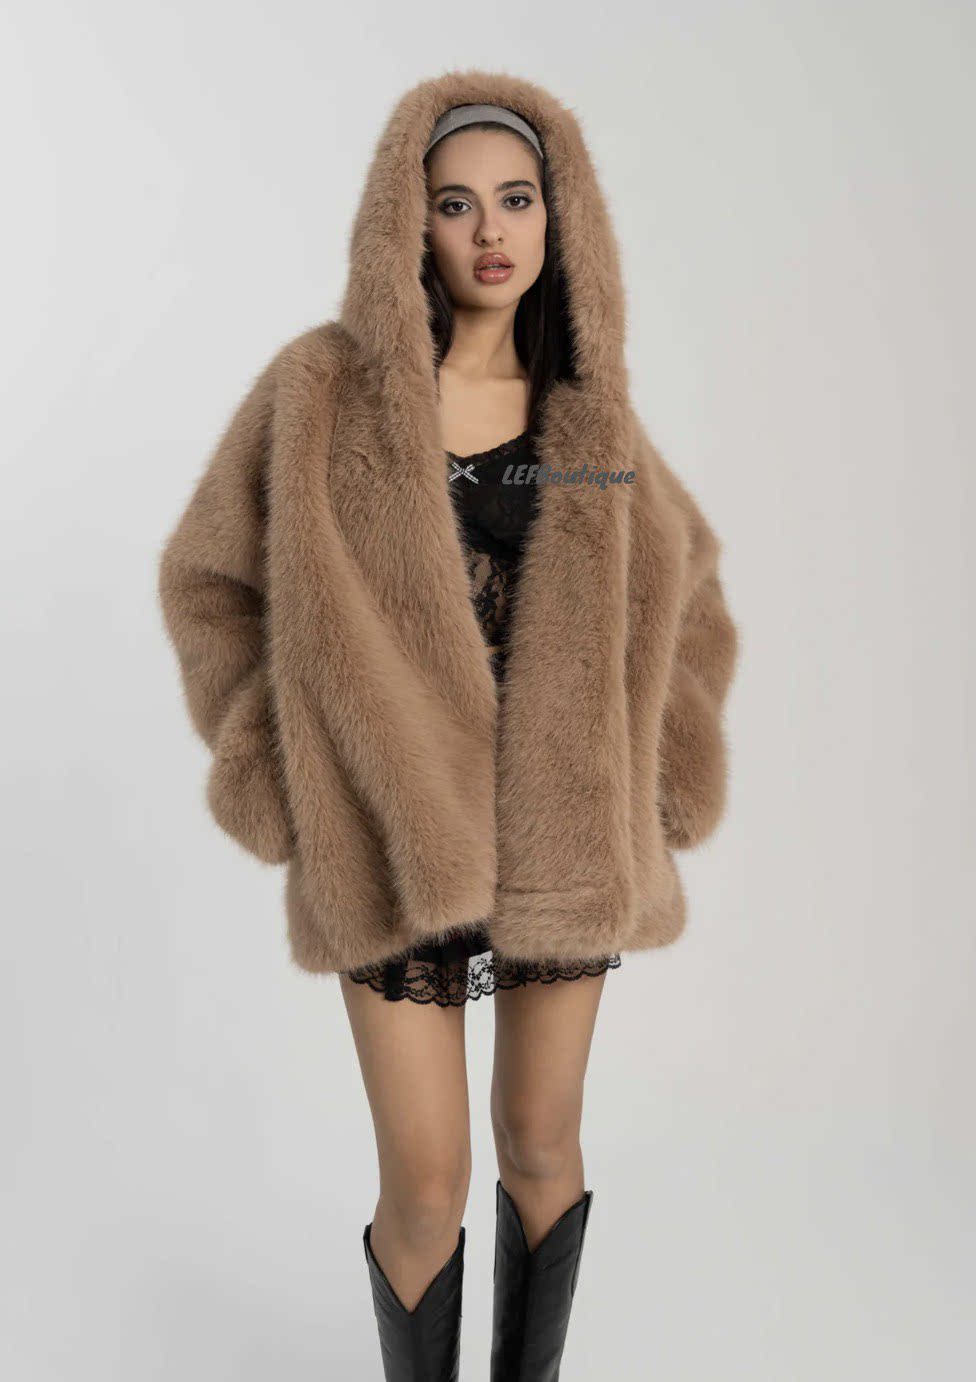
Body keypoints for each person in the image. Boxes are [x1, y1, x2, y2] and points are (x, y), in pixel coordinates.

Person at [158, 71, 739, 1382]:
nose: (490, 230)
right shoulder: (321, 393)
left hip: (558, 840)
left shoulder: (590, 417)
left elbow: (686, 592)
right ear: (406, 223)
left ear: (558, 216)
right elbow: (208, 583)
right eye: (456, 202)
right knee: (426, 1184)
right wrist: (278, 778)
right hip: (399, 835)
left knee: (542, 1142)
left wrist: (665, 779)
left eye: (517, 199)